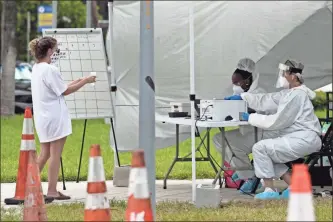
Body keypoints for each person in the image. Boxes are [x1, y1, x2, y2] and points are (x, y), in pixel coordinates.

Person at [227, 60, 322, 199]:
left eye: (284, 73)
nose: (281, 76)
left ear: (293, 76)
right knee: (265, 150)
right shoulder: (290, 93)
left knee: (261, 148)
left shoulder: (297, 96)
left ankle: (269, 191)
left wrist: (250, 117)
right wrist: (243, 97)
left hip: (304, 139)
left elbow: (277, 121)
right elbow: (267, 99)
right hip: (297, 137)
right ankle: (295, 187)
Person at [29, 36, 96, 200]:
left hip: (43, 118)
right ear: (49, 51)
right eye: (56, 49)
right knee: (55, 155)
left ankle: (28, 186)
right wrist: (86, 81)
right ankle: (52, 191)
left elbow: (59, 88)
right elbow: (64, 91)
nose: (57, 52)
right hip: (55, 117)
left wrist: (79, 81)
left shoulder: (37, 68)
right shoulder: (50, 69)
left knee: (44, 154)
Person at [213, 58, 267, 190]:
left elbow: (259, 109)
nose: (234, 86)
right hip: (247, 132)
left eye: (237, 82)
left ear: (247, 81)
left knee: (234, 146)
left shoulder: (259, 93)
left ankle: (250, 178)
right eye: (233, 83)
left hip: (261, 133)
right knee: (218, 138)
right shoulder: (241, 94)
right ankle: (241, 170)